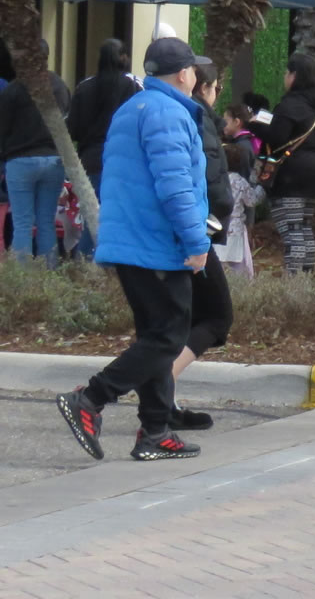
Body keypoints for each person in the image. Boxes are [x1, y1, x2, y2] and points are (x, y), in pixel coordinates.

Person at [55, 38, 211, 463]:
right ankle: (90, 398)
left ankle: (155, 431)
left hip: (131, 242)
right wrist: (196, 242)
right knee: (168, 336)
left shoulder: (133, 108)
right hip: (157, 244)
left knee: (156, 336)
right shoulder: (168, 113)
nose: (197, 76)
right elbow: (174, 186)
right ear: (184, 74)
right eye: (194, 70)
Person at [168, 61, 238, 433]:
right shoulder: (197, 117)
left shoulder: (167, 112)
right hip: (194, 232)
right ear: (204, 86)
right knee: (217, 315)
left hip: (179, 230)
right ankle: (162, 382)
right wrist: (218, 215)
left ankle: (165, 400)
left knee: (182, 317)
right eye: (215, 88)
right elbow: (207, 180)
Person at [66, 38, 140, 260]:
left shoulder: (84, 87)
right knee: (116, 218)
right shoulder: (133, 86)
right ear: (124, 57)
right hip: (122, 162)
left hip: (90, 162)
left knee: (92, 217)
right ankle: (105, 264)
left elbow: (72, 129)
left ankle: (84, 262)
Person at [263, 54, 315, 274]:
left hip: (292, 176)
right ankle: (306, 276)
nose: (285, 76)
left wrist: (254, 126)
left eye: (287, 72)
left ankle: (294, 281)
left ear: (294, 76)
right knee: (304, 228)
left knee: (291, 230)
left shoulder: (290, 105)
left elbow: (276, 138)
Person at [0, 54, 71, 267]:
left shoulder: (14, 88)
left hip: (20, 160)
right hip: (53, 159)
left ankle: (24, 278)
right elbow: (68, 119)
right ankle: (49, 273)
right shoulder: (59, 85)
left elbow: (2, 127)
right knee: (46, 222)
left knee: (22, 224)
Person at [215, 144, 262, 280]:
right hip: (235, 228)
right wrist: (262, 187)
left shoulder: (215, 180)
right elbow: (252, 201)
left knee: (218, 261)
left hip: (216, 226)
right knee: (237, 264)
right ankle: (240, 286)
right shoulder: (240, 182)